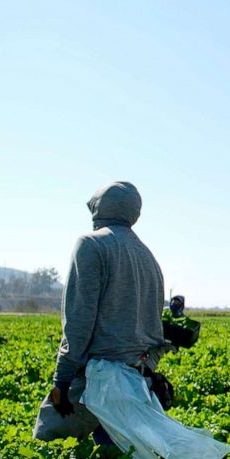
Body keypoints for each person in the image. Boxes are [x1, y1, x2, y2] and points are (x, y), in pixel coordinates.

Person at [33, 181, 166, 443]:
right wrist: (144, 369)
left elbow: (79, 320)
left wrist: (62, 380)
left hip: (96, 377)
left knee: (49, 445)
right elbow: (155, 330)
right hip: (135, 380)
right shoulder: (148, 257)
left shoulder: (91, 245)